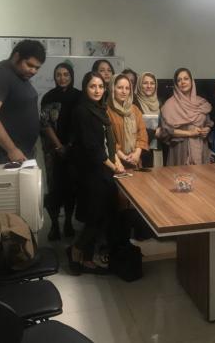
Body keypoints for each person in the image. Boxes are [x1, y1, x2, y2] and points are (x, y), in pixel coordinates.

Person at [68, 72, 124, 274]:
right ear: (85, 88)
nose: (97, 90)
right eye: (92, 86)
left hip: (104, 170)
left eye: (100, 86)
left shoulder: (101, 109)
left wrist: (116, 161)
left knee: (102, 216)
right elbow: (92, 147)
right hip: (92, 172)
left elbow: (109, 142)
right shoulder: (82, 111)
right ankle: (76, 251)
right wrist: (113, 166)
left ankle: (87, 257)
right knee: (94, 216)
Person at [0, 39, 46, 167]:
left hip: (19, 155)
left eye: (37, 68)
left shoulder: (21, 76)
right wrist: (11, 149)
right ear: (16, 56)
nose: (33, 71)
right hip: (1, 157)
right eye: (29, 65)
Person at [41, 63, 81, 240]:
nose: (62, 78)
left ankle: (68, 223)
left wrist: (69, 145)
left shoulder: (79, 96)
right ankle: (54, 225)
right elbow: (45, 124)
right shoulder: (49, 97)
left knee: (71, 188)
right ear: (54, 77)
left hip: (74, 150)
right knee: (54, 189)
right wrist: (58, 146)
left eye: (66, 74)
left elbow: (82, 124)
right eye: (58, 74)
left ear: (71, 76)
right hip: (53, 151)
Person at [160, 68, 212, 166]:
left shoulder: (201, 103)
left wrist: (207, 129)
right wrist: (190, 133)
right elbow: (166, 130)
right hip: (180, 151)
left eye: (186, 79)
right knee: (179, 175)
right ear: (176, 84)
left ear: (191, 81)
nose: (183, 82)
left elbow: (208, 122)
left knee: (201, 175)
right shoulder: (169, 105)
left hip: (200, 149)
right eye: (179, 80)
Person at [106, 74, 148, 168]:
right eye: (120, 88)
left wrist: (137, 153)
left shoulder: (135, 109)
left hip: (135, 160)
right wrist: (124, 157)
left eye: (127, 88)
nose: (124, 91)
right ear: (112, 89)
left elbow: (142, 133)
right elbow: (109, 139)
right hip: (116, 161)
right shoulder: (106, 111)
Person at [136, 72, 164, 167]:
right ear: (140, 85)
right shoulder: (134, 102)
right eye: (145, 83)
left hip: (158, 148)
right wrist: (154, 132)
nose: (149, 86)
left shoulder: (160, 102)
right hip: (140, 149)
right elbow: (134, 127)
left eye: (152, 83)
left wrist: (163, 130)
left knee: (158, 174)